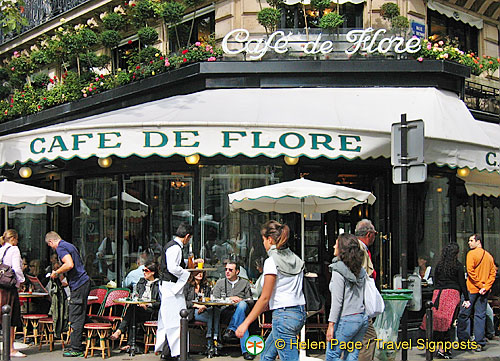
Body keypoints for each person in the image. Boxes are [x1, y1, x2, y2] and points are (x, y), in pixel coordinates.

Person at [235, 220, 306, 361]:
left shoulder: (271, 262)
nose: (263, 244)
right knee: (266, 355)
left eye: (263, 240)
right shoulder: (296, 259)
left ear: (270, 239)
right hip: (299, 312)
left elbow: (265, 297)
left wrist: (245, 323)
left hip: (283, 316)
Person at [420, 243, 470, 359]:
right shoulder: (458, 266)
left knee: (437, 320)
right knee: (448, 322)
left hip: (438, 294)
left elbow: (435, 281)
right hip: (452, 294)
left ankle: (437, 347)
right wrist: (466, 298)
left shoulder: (439, 266)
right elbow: (462, 284)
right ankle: (445, 349)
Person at [45, 231, 91, 357]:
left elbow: (69, 264)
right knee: (79, 313)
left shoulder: (61, 247)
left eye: (50, 246)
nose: (52, 249)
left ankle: (76, 348)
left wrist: (56, 272)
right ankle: (95, 336)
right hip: (82, 282)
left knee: (75, 314)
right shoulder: (69, 245)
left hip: (79, 284)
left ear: (51, 242)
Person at [326, 233, 369, 360]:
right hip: (361, 317)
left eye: (336, 243)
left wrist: (331, 325)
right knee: (352, 355)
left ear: (342, 249)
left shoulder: (338, 270)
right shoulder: (360, 269)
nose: (333, 246)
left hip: (346, 318)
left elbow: (337, 301)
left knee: (332, 355)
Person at [156, 222, 193, 361]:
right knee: (175, 320)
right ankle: (178, 353)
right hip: (171, 287)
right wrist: (187, 274)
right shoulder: (175, 248)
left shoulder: (171, 246)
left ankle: (168, 352)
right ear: (187, 236)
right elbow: (173, 268)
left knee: (170, 320)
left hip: (169, 286)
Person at [457, 234, 496, 352]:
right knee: (480, 315)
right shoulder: (489, 256)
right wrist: (486, 287)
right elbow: (493, 273)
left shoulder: (471, 254)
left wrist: (480, 286)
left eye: (471, 240)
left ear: (478, 242)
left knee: (464, 314)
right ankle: (479, 342)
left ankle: (464, 341)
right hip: (483, 291)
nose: (469, 243)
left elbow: (470, 271)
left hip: (472, 289)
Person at [110, 262, 160, 349]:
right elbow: (136, 294)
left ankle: (120, 331)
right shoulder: (141, 282)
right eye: (143, 270)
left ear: (152, 272)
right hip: (139, 309)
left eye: (146, 270)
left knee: (132, 311)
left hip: (151, 311)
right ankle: (130, 344)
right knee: (133, 312)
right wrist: (138, 300)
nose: (144, 272)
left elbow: (160, 302)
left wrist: (147, 304)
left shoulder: (159, 284)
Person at [213, 261, 253, 359]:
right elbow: (214, 298)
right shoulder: (220, 282)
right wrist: (229, 299)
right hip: (225, 311)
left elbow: (250, 300)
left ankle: (231, 329)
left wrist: (241, 300)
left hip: (240, 309)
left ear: (237, 272)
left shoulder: (244, 283)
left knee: (242, 306)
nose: (227, 272)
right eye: (226, 269)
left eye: (230, 270)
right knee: (242, 321)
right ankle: (246, 351)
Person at [0, 230, 26, 357]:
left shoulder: (1, 250)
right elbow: (17, 269)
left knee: (3, 316)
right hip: (10, 287)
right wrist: (21, 281)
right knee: (11, 318)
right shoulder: (14, 250)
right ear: (13, 239)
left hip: (1, 287)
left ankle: (7, 347)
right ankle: (10, 348)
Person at [355, 219, 378, 361]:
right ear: (369, 234)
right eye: (374, 234)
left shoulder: (355, 247)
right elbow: (363, 275)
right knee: (369, 338)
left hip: (356, 304)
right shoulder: (360, 250)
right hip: (360, 303)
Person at [183, 270, 219, 354]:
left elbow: (209, 300)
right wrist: (196, 305)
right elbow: (183, 302)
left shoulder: (206, 287)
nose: (200, 274)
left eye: (202, 272)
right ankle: (213, 342)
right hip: (191, 311)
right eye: (197, 272)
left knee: (215, 312)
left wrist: (204, 306)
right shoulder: (187, 286)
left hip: (204, 310)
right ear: (192, 274)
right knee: (212, 316)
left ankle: (211, 340)